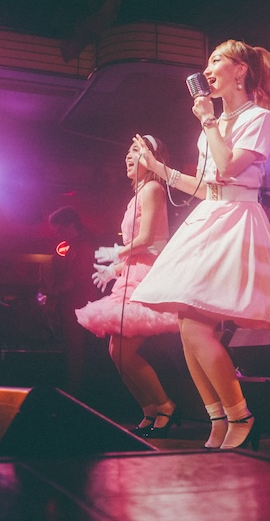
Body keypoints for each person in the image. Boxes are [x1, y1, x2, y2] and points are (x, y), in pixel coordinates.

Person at [130, 39, 270, 450]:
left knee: (196, 326)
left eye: (216, 61)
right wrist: (160, 169)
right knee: (186, 325)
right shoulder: (214, 123)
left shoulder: (259, 118)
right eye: (207, 63)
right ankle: (219, 417)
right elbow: (204, 186)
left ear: (240, 70)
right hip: (208, 214)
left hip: (235, 219)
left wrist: (209, 120)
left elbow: (227, 168)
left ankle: (241, 416)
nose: (207, 70)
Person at [75, 135, 181, 436]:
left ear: (151, 157)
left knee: (123, 352)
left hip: (147, 278)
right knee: (116, 352)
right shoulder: (138, 194)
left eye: (136, 150)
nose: (128, 156)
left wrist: (117, 254)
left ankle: (166, 406)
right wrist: (115, 269)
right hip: (133, 273)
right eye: (129, 151)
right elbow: (143, 248)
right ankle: (150, 409)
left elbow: (149, 240)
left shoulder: (153, 189)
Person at [47, 206, 100, 396]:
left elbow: (77, 279)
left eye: (60, 229)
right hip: (75, 305)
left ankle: (76, 390)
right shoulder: (75, 246)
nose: (58, 233)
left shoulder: (82, 246)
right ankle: (76, 388)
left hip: (78, 306)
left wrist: (55, 291)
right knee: (74, 349)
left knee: (76, 350)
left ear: (71, 225)